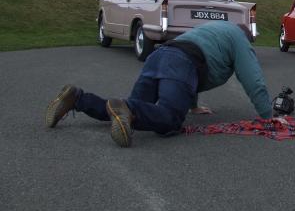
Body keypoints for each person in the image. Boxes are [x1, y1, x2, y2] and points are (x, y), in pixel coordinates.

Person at [45, 21, 274, 147]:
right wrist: (268, 116)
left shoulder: (213, 31)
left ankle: (78, 98)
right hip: (180, 63)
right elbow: (252, 78)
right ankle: (130, 109)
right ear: (247, 36)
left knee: (126, 112)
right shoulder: (238, 39)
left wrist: (193, 105)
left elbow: (198, 68)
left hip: (159, 56)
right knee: (170, 119)